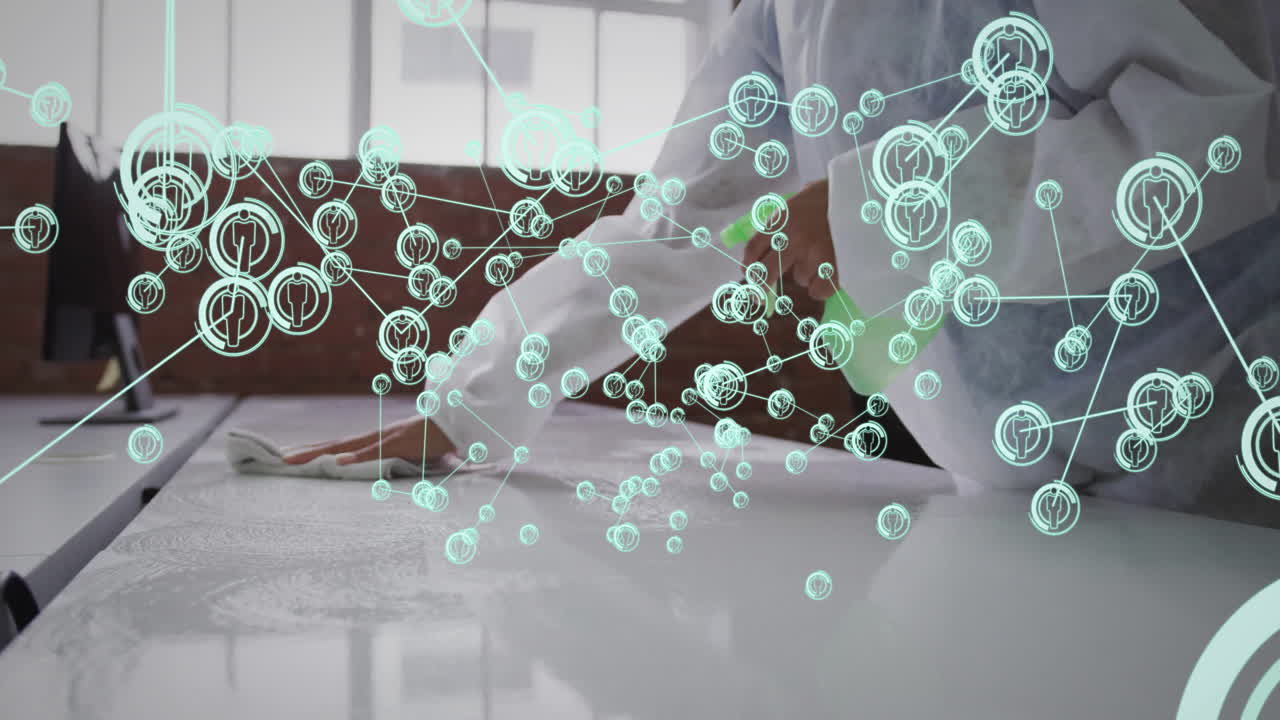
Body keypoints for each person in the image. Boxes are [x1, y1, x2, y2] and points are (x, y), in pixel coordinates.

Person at [287, 0, 1280, 525]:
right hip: (1003, 511)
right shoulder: (783, 16)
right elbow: (677, 223)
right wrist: (472, 402)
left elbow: (1208, 142)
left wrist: (872, 211)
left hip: (1213, 476)